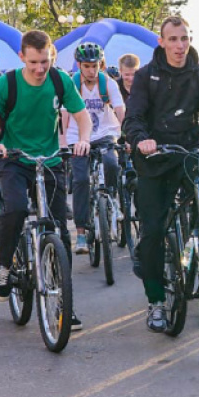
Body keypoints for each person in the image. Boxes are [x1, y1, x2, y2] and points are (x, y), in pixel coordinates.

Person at [123, 16, 199, 332]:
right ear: (161, 42)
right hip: (156, 159)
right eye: (173, 39)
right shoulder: (145, 76)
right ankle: (155, 301)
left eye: (185, 38)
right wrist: (141, 140)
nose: (180, 45)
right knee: (152, 230)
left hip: (193, 153)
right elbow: (133, 118)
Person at [0, 31, 91, 322]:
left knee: (60, 232)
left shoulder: (60, 80)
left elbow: (82, 116)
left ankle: (65, 303)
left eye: (46, 62)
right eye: (35, 62)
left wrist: (84, 139)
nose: (40, 69)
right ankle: (4, 265)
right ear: (22, 57)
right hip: (13, 159)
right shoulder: (6, 84)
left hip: (50, 159)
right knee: (15, 209)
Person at [62, 42, 125, 256]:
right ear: (79, 65)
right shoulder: (72, 84)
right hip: (77, 136)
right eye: (87, 66)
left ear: (101, 64)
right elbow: (64, 114)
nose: (91, 70)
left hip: (105, 133)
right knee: (80, 180)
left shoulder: (108, 83)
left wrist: (125, 133)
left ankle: (113, 198)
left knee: (111, 163)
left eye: (94, 65)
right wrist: (63, 142)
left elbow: (119, 108)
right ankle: (80, 233)